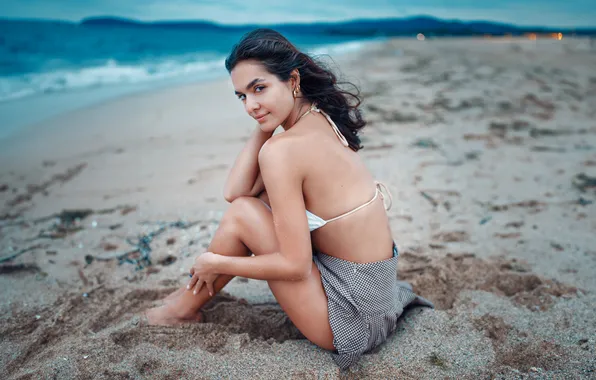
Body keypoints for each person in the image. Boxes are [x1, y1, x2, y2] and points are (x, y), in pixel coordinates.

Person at [145, 28, 433, 369]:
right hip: (374, 296)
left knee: (243, 214)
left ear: (292, 80)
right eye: (241, 96)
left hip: (351, 321)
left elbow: (293, 265)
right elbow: (235, 191)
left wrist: (217, 263)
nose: (250, 106)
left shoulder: (284, 151)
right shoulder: (320, 118)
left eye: (259, 88)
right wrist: (265, 122)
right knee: (249, 205)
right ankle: (185, 302)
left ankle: (181, 310)